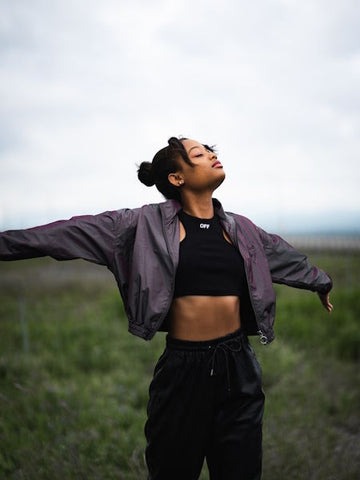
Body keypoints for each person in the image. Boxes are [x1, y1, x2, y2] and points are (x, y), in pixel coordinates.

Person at [0, 136, 333, 480]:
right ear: (177, 178)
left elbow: (283, 255)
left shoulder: (241, 230)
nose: (212, 157)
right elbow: (66, 233)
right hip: (183, 371)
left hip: (239, 366)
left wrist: (320, 281)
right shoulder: (139, 225)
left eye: (211, 152)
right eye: (199, 155)